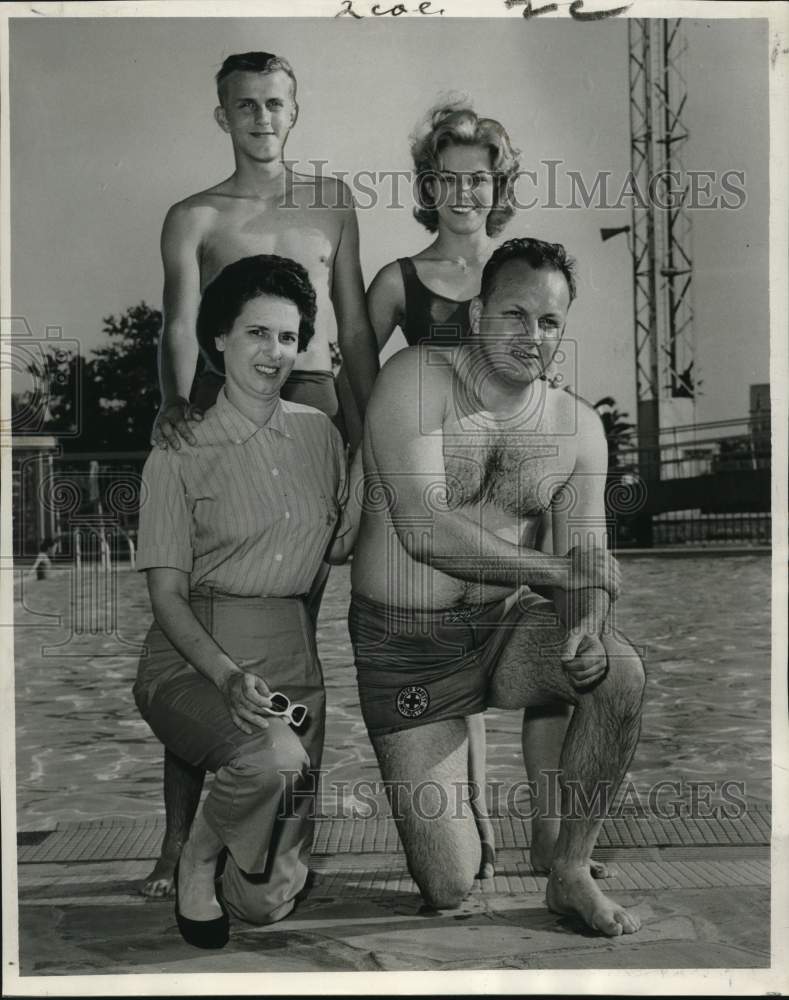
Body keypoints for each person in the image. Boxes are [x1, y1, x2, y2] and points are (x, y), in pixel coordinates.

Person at [349, 237, 645, 936]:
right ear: (477, 310)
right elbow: (424, 528)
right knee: (448, 887)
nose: (531, 337)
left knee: (620, 672)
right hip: (406, 644)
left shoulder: (576, 428)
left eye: (548, 324)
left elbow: (587, 561)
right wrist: (559, 574)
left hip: (503, 631)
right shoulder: (414, 381)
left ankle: (569, 870)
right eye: (514, 314)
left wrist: (583, 622)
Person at [142, 51, 378, 897]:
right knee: (202, 628)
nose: (261, 118)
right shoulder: (193, 215)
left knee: (289, 634)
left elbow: (351, 328)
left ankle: (277, 842)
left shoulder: (332, 202)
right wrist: (175, 406)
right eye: (244, 106)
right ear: (222, 116)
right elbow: (177, 320)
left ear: (294, 110)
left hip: (311, 402)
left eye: (275, 104)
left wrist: (368, 438)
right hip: (219, 400)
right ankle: (176, 847)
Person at [365, 100, 571, 882]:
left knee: (565, 641)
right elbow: (365, 392)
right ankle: (474, 818)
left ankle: (551, 835)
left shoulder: (515, 272)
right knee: (453, 655)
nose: (462, 194)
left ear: (498, 184)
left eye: (477, 179)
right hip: (437, 511)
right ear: (426, 185)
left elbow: (544, 376)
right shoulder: (398, 281)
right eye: (446, 180)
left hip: (514, 493)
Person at [134, 254, 358, 946]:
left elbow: (337, 548)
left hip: (292, 662)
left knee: (262, 903)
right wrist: (227, 673)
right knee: (272, 760)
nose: (274, 352)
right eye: (256, 333)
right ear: (219, 341)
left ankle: (241, 861)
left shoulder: (319, 435)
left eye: (288, 337)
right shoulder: (177, 449)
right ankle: (196, 859)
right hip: (196, 655)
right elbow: (165, 595)